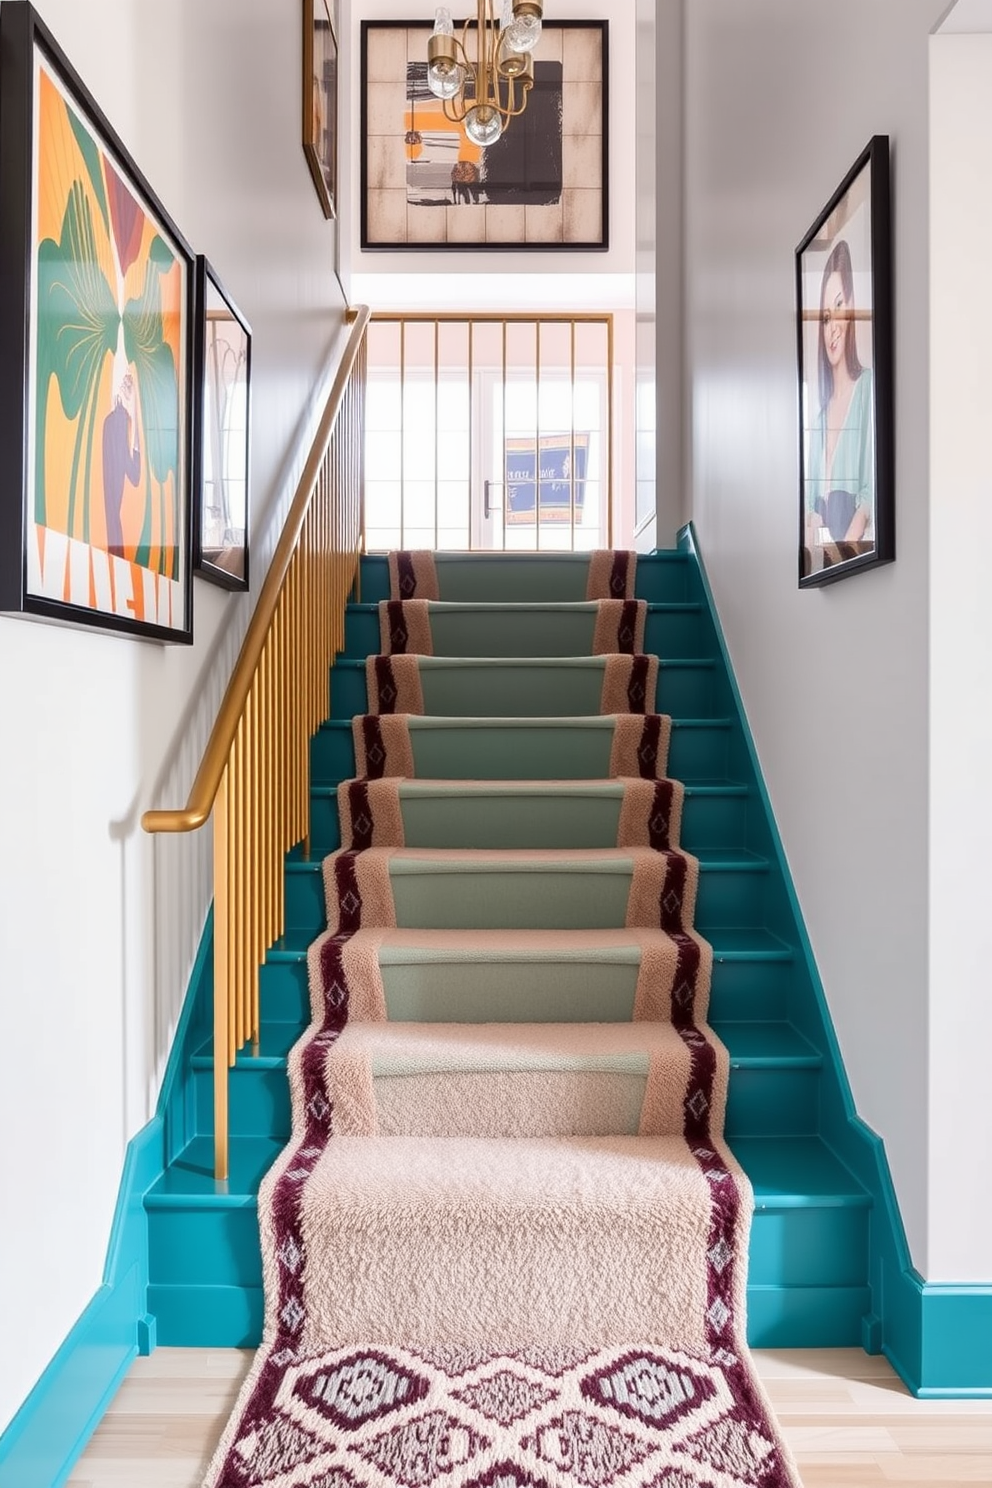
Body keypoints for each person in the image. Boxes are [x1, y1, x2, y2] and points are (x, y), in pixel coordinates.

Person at [805, 237, 874, 548]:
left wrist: (846, 549)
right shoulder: (819, 415)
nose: (832, 327)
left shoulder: (867, 389)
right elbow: (809, 509)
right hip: (830, 558)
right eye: (825, 316)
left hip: (853, 551)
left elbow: (871, 494)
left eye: (840, 305)